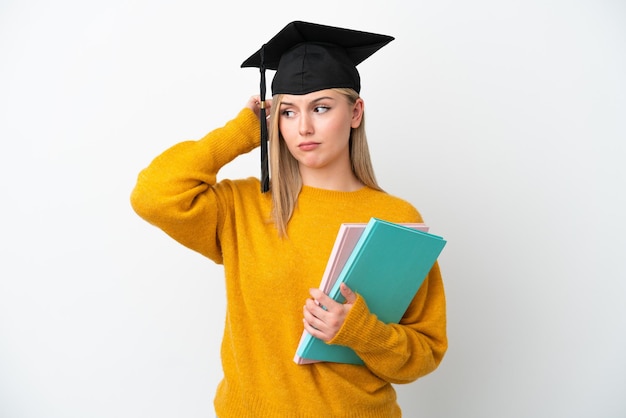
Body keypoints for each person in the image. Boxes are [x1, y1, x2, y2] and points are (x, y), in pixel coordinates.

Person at [131, 20, 447, 418]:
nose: (304, 128)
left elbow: (425, 352)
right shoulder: (243, 207)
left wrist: (360, 332)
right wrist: (243, 131)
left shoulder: (395, 218)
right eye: (288, 112)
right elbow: (153, 195)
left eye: (321, 108)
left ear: (355, 112)